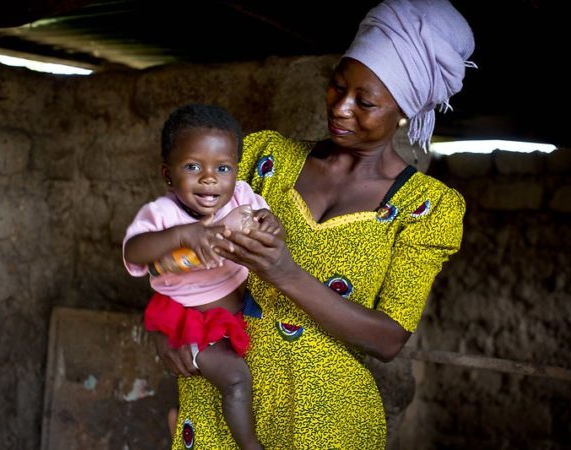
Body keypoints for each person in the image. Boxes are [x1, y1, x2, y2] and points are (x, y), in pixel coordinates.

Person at [154, 0, 476, 448]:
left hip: (323, 420)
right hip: (221, 396)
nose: (341, 108)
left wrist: (283, 272)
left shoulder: (426, 209)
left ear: (404, 110)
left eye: (364, 102)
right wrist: (170, 330)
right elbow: (172, 244)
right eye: (337, 86)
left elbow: (388, 340)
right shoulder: (265, 159)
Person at [123, 103, 282, 450]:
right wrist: (181, 235)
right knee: (236, 381)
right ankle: (250, 446)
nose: (209, 178)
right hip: (190, 320)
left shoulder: (241, 196)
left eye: (222, 167)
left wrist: (272, 224)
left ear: (236, 172)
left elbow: (272, 229)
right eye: (193, 166)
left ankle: (176, 418)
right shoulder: (164, 213)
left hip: (236, 313)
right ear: (168, 175)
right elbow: (133, 251)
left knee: (239, 381)